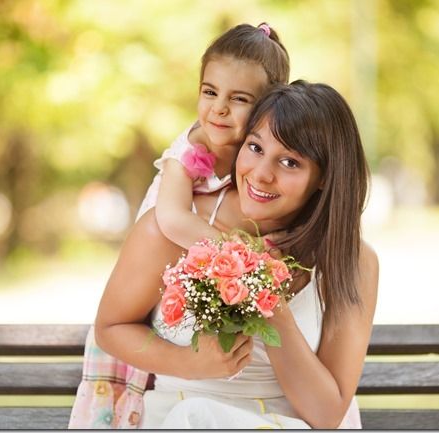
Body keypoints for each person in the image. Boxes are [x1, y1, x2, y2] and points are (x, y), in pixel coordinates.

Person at [93, 81, 379, 429]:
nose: (261, 174)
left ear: (324, 177)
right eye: (255, 147)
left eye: (290, 162)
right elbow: (111, 327)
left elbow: (326, 413)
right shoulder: (173, 228)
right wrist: (191, 362)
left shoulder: (351, 261)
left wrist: (271, 304)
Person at [68, 22, 289, 429]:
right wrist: (244, 258)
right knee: (128, 396)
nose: (218, 109)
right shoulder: (191, 146)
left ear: (269, 107)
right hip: (147, 289)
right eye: (209, 92)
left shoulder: (263, 168)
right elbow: (171, 219)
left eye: (238, 99)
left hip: (188, 299)